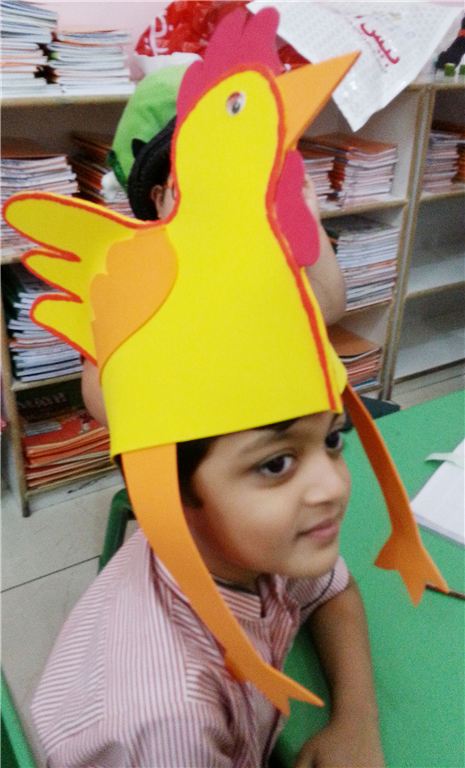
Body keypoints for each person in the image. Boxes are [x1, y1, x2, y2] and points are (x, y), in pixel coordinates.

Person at [31, 410, 383, 767]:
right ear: (168, 490)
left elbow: (335, 591)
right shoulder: (176, 721)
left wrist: (356, 722)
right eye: (276, 464)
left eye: (331, 439)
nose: (335, 485)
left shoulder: (243, 545)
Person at [82, 66, 346, 427]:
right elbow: (99, 391)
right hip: (183, 433)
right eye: (195, 182)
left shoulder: (259, 258)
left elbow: (329, 307)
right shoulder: (131, 273)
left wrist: (307, 223)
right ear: (158, 199)